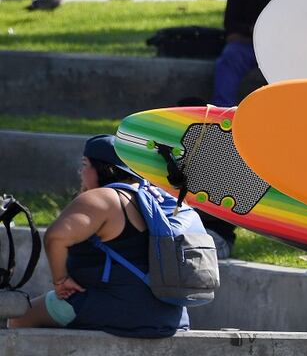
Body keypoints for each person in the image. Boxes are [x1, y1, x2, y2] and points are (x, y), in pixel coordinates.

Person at [8, 135, 189, 338]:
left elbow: (56, 237)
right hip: (171, 316)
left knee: (19, 317)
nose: (81, 172)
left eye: (85, 164)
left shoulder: (104, 198)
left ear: (105, 168)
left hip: (117, 307)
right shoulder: (159, 197)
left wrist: (60, 281)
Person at [211, 0, 298, 107]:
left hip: (277, 48)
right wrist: (250, 30)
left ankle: (287, 113)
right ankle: (222, 112)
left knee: (292, 68)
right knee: (228, 59)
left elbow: (295, 25)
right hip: (244, 45)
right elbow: (230, 22)